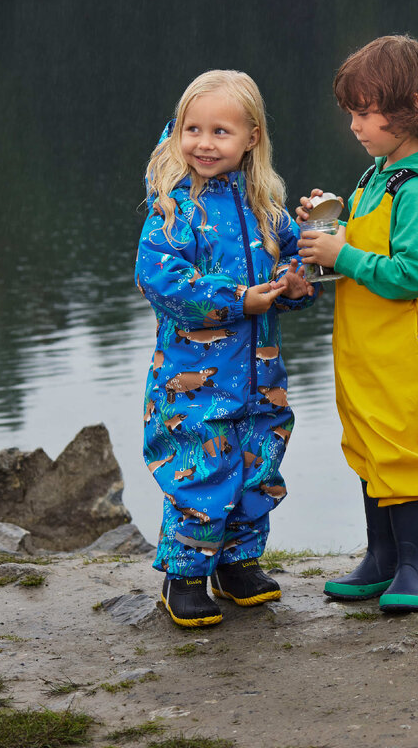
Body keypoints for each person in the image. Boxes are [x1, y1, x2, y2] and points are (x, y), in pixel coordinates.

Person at [136, 70, 316, 628]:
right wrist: (240, 299)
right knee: (202, 472)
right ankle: (185, 576)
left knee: (257, 465)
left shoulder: (266, 208)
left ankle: (237, 565)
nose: (204, 143)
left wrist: (294, 280)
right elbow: (161, 281)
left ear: (251, 138)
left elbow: (295, 261)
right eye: (193, 129)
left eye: (220, 131)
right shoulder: (175, 211)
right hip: (194, 381)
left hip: (261, 379)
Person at [297, 35, 418, 613]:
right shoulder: (377, 177)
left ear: (410, 106)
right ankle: (382, 558)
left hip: (406, 356)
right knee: (368, 446)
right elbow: (368, 245)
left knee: (403, 452)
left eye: (364, 112)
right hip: (365, 352)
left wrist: (340, 255)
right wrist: (332, 227)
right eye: (351, 112)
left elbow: (412, 274)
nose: (354, 125)